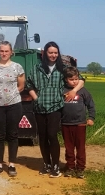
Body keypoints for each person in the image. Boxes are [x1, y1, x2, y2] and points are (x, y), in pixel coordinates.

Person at [26, 41, 84, 178]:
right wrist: (36, 98)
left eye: (55, 53)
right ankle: (46, 164)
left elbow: (81, 80)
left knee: (52, 135)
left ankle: (56, 166)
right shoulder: (36, 68)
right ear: (45, 53)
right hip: (39, 107)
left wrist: (73, 91)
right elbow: (29, 84)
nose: (53, 55)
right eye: (50, 52)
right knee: (43, 137)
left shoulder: (63, 68)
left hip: (55, 106)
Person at [0, 41, 25, 177]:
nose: (4, 53)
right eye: (2, 51)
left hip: (14, 104)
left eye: (6, 51)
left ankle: (12, 164)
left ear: (11, 52)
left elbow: (21, 86)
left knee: (13, 134)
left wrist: (11, 95)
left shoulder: (17, 67)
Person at [61, 66, 95, 179]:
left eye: (76, 79)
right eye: (71, 79)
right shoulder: (62, 90)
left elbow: (91, 105)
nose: (74, 81)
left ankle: (80, 168)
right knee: (69, 147)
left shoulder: (83, 91)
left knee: (80, 147)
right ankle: (70, 166)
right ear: (66, 79)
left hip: (80, 124)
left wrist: (91, 118)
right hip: (66, 124)